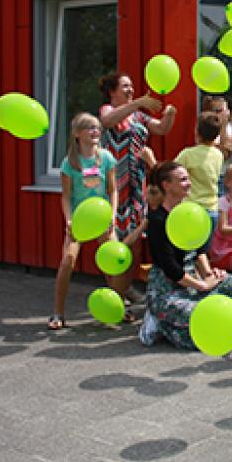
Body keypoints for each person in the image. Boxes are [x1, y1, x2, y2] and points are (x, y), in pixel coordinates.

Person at [138, 161, 232, 350]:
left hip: (194, 279)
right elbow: (170, 268)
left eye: (188, 178)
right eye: (182, 180)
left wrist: (209, 275)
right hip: (168, 288)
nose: (188, 183)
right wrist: (201, 285)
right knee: (199, 314)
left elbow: (200, 251)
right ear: (166, 185)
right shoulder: (158, 220)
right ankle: (157, 321)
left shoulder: (191, 213)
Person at [98, 71, 176, 302]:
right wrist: (139, 102)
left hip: (135, 186)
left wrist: (170, 114)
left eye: (131, 86)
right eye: (125, 86)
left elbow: (161, 128)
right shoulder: (107, 110)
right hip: (112, 186)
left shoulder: (139, 117)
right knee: (112, 242)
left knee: (133, 240)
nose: (130, 90)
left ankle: (125, 288)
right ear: (112, 92)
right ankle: (115, 294)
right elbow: (107, 122)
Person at [50, 112, 127, 330]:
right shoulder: (70, 163)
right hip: (80, 220)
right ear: (77, 134)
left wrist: (112, 215)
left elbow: (113, 190)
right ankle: (58, 312)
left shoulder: (106, 158)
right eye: (89, 128)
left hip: (103, 218)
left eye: (96, 128)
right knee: (68, 261)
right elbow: (65, 196)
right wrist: (69, 220)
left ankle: (119, 307)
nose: (95, 131)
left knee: (113, 262)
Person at [175, 113, 225, 250]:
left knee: (189, 254)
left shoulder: (188, 154)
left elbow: (170, 173)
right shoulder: (218, 155)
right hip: (212, 211)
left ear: (197, 131)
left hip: (192, 212)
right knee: (202, 255)